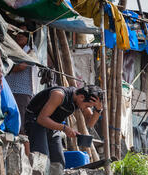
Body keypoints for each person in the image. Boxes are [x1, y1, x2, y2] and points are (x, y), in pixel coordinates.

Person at [24, 85, 103, 166]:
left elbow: (90, 124)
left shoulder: (80, 99)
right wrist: (64, 128)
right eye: (87, 106)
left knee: (59, 162)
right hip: (35, 122)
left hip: (52, 125)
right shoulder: (59, 95)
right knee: (41, 158)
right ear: (81, 97)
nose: (87, 108)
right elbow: (41, 119)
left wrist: (98, 110)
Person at [6, 25, 39, 155]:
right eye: (18, 32)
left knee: (22, 127)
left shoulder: (30, 51)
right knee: (9, 123)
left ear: (29, 37)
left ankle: (27, 155)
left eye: (23, 34)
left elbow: (20, 67)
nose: (19, 35)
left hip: (22, 92)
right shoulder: (13, 50)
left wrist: (5, 65)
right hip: (9, 90)